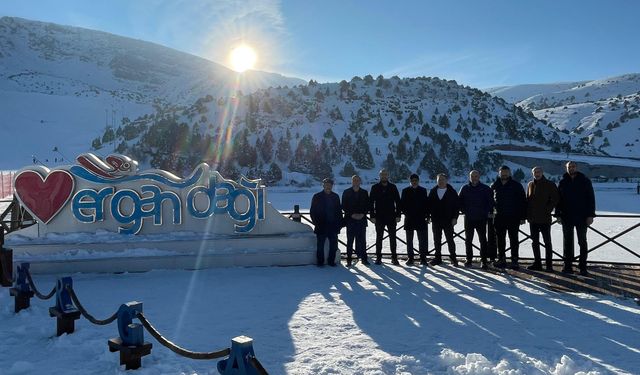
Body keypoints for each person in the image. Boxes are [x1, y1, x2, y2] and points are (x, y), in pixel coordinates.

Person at [556, 161, 596, 276]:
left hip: (582, 216)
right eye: (569, 167)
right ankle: (567, 265)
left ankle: (582, 266)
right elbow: (559, 199)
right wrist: (558, 213)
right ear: (566, 168)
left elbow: (591, 198)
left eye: (573, 167)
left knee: (582, 241)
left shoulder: (585, 181)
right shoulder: (563, 181)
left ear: (576, 168)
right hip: (566, 216)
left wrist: (590, 215)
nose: (571, 168)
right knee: (567, 242)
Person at [491, 166, 527, 270]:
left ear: (510, 173)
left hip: (513, 217)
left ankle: (515, 260)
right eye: (502, 172)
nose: (504, 174)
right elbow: (490, 201)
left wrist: (523, 217)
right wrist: (490, 212)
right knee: (500, 240)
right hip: (499, 217)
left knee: (514, 239)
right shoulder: (494, 185)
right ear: (499, 173)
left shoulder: (516, 185)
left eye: (506, 172)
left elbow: (523, 202)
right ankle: (501, 259)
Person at [526, 166, 559, 272]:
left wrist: (547, 210)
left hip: (545, 218)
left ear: (542, 172)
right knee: (534, 242)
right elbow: (528, 200)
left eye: (538, 171)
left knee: (547, 242)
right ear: (533, 173)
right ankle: (537, 263)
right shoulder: (530, 184)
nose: (537, 173)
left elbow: (555, 198)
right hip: (533, 219)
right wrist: (528, 214)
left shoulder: (550, 184)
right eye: (535, 172)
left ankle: (549, 265)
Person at [458, 170, 494, 269]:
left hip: (481, 218)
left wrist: (485, 212)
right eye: (472, 176)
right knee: (468, 240)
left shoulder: (485, 188)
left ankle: (484, 260)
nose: (474, 178)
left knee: (483, 240)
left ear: (479, 176)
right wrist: (464, 211)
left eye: (476, 176)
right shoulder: (465, 188)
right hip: (469, 218)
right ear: (469, 177)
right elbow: (459, 201)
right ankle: (468, 259)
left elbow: (490, 202)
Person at [369, 168, 402, 265]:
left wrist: (398, 215)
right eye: (382, 174)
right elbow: (371, 203)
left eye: (385, 174)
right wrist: (372, 215)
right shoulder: (374, 187)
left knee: (393, 238)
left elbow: (398, 202)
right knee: (379, 238)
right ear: (379, 176)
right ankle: (378, 257)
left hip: (391, 216)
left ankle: (394, 257)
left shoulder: (393, 187)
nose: (384, 176)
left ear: (388, 176)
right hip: (379, 216)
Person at [428, 173, 459, 266]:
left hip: (448, 220)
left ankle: (453, 258)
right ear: (436, 181)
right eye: (439, 180)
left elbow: (456, 206)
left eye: (442, 179)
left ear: (446, 180)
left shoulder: (452, 191)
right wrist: (428, 216)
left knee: (450, 240)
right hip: (436, 220)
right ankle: (438, 258)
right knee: (437, 240)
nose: (441, 181)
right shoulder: (433, 191)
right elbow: (428, 205)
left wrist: (455, 217)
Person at [310, 178, 343, 267]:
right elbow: (312, 212)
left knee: (333, 246)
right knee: (320, 246)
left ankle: (331, 261)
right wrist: (316, 223)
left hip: (333, 226)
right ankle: (320, 262)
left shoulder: (336, 196)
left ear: (332, 186)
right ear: (323, 185)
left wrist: (339, 225)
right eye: (326, 184)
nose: (328, 186)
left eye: (330, 184)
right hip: (321, 226)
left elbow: (339, 212)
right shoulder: (317, 196)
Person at [400, 173, 429, 266]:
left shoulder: (423, 190)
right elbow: (402, 205)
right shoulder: (405, 191)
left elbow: (427, 205)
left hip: (421, 218)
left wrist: (427, 216)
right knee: (409, 240)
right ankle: (410, 258)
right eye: (412, 180)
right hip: (409, 218)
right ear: (410, 181)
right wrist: (407, 213)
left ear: (418, 181)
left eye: (416, 180)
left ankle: (423, 258)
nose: (414, 182)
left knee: (422, 240)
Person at [342, 175, 370, 266]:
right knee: (350, 241)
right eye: (354, 180)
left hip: (362, 220)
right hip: (350, 220)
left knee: (363, 240)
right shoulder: (346, 192)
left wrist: (362, 214)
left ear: (360, 181)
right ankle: (349, 259)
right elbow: (344, 206)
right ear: (352, 181)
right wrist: (352, 214)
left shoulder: (365, 192)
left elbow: (368, 205)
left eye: (357, 180)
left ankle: (364, 258)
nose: (356, 182)